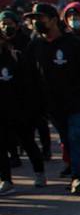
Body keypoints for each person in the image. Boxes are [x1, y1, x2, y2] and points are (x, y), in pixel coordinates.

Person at [27, 1, 80, 194]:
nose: (36, 22)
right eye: (34, 19)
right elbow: (31, 76)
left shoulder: (73, 43)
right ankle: (75, 169)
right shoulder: (35, 45)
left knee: (77, 138)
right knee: (66, 140)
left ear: (53, 20)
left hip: (75, 102)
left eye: (40, 18)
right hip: (51, 106)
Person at [0, 12, 47, 193]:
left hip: (19, 111)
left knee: (28, 143)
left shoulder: (16, 57)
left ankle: (39, 173)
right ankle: (6, 179)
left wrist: (32, 109)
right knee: (1, 147)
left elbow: (29, 85)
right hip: (1, 113)